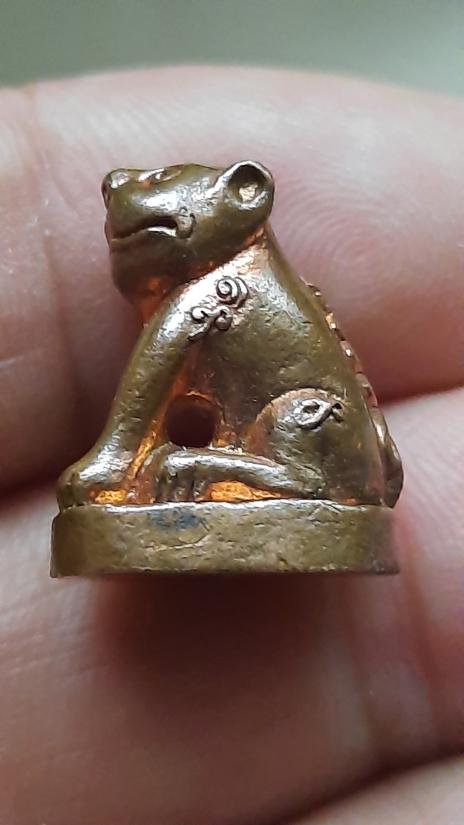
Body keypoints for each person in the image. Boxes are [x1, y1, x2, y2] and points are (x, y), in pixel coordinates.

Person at [0, 67, 462, 824]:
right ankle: (244, 467)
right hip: (313, 449)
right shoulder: (226, 282)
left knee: (287, 423)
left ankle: (257, 472)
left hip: (312, 439)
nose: (128, 195)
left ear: (245, 197)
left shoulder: (217, 288)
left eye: (160, 187)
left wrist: (114, 463)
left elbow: (156, 370)